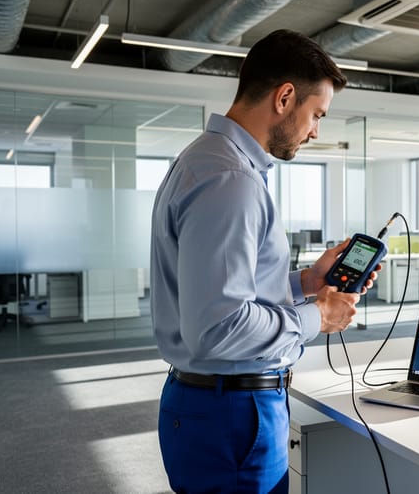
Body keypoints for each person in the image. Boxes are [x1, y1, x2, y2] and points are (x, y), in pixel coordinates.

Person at [149, 29, 373, 493]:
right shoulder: (230, 179)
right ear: (285, 97)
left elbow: (220, 289)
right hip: (229, 413)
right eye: (316, 115)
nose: (316, 131)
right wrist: (318, 317)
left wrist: (307, 280)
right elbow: (218, 328)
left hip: (210, 405)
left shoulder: (205, 160)